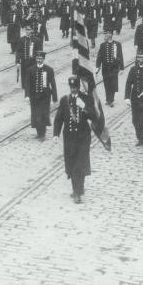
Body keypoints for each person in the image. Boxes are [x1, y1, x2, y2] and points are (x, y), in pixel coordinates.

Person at [53, 76, 94, 204]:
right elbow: (59, 118)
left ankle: (78, 192)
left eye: (75, 88)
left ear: (78, 87)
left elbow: (93, 115)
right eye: (72, 88)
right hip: (69, 138)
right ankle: (76, 189)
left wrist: (84, 107)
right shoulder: (65, 100)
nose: (74, 90)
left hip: (82, 138)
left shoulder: (86, 98)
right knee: (71, 164)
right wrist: (56, 134)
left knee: (79, 165)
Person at [25, 51, 57, 141]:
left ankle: (42, 134)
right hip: (34, 97)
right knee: (35, 115)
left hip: (45, 97)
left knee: (43, 115)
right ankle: (39, 133)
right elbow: (27, 84)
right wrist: (27, 95)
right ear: (35, 59)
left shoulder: (49, 69)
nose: (39, 60)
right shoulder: (30, 70)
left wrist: (54, 98)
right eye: (38, 59)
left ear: (43, 59)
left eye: (41, 59)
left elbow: (53, 84)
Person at [95, 30, 124, 107]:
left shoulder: (117, 44)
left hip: (114, 68)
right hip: (105, 69)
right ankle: (108, 99)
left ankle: (111, 100)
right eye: (105, 33)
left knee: (113, 84)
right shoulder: (103, 45)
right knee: (106, 84)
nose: (105, 35)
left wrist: (121, 68)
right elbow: (99, 57)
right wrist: (97, 67)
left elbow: (120, 56)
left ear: (111, 34)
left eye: (107, 33)